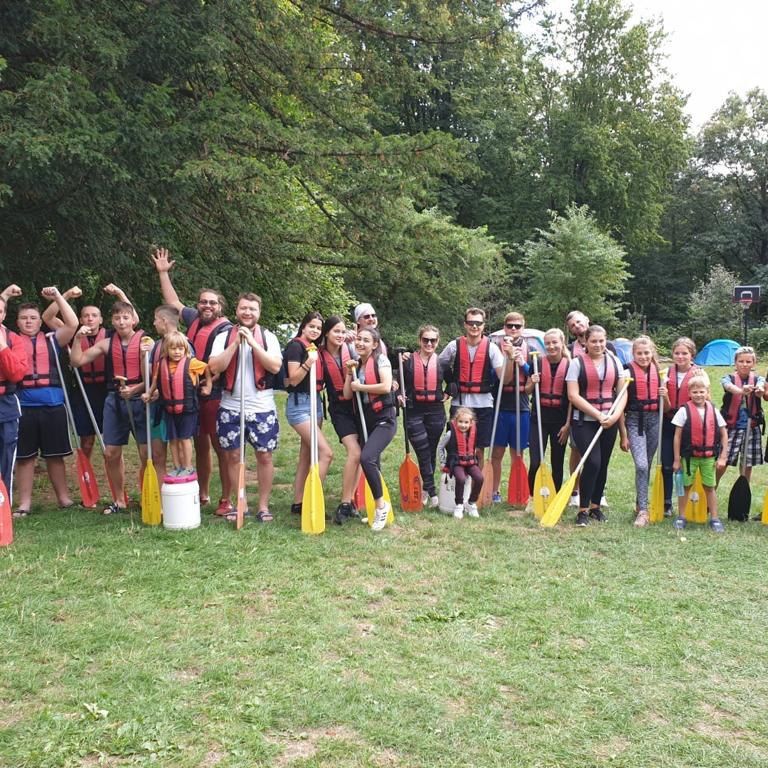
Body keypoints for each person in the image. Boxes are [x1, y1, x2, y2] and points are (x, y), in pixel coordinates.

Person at [153, 246, 232, 511]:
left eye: (213, 302)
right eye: (203, 302)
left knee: (219, 447)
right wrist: (163, 273)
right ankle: (201, 493)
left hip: (215, 395)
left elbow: (218, 364)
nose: (207, 306)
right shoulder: (193, 319)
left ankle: (226, 499)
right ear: (198, 305)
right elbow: (173, 303)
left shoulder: (226, 328)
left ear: (220, 307)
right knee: (198, 446)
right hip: (191, 395)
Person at [208, 292, 282, 522]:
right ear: (237, 311)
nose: (247, 312)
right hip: (231, 407)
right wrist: (235, 346)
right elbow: (214, 367)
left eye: (252, 309)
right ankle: (241, 503)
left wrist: (251, 343)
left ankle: (263, 506)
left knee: (265, 456)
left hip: (261, 407)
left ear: (259, 312)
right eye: (243, 308)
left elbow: (275, 367)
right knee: (232, 456)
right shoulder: (223, 336)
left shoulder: (268, 337)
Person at [70, 300, 149, 515]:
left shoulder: (144, 342)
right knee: (111, 452)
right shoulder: (106, 343)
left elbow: (151, 379)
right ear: (111, 321)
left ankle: (147, 496)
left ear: (133, 319)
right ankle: (119, 500)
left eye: (125, 317)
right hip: (114, 400)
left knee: (145, 452)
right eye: (117, 318)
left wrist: (134, 390)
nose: (121, 322)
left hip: (138, 399)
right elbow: (77, 361)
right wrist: (78, 339)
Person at [14, 289, 79, 515]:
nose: (29, 322)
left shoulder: (53, 339)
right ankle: (25, 504)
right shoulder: (10, 340)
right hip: (23, 407)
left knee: (55, 455)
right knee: (25, 458)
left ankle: (63, 498)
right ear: (17, 321)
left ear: (39, 320)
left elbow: (72, 323)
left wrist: (60, 297)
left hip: (52, 405)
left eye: (33, 317)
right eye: (24, 318)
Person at [566, 324, 628, 526]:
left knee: (603, 465)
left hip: (609, 421)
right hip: (584, 422)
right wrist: (598, 415)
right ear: (585, 341)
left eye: (601, 341)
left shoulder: (615, 362)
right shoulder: (576, 364)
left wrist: (614, 415)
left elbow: (622, 392)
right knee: (592, 463)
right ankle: (582, 510)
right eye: (593, 341)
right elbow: (573, 395)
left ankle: (595, 507)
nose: (598, 345)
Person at [438, 308, 514, 469]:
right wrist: (449, 381)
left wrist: (511, 358)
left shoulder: (492, 348)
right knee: (456, 447)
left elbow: (505, 379)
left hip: (483, 404)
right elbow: (438, 364)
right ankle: (458, 484)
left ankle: (476, 486)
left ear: (483, 325)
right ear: (465, 325)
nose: (474, 326)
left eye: (478, 323)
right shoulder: (454, 346)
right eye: (471, 323)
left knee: (478, 450)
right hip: (460, 403)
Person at [343, 327, 396, 532]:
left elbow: (385, 386)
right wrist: (350, 373)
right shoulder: (357, 365)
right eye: (358, 339)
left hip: (385, 419)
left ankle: (382, 507)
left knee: (366, 458)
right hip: (368, 420)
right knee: (373, 463)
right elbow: (348, 394)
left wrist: (361, 387)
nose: (361, 343)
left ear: (374, 344)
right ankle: (376, 509)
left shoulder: (381, 360)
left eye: (366, 340)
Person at [283, 312, 333, 516]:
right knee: (326, 453)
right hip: (300, 405)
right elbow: (293, 380)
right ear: (303, 327)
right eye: (311, 326)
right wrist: (308, 362)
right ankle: (313, 500)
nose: (314, 330)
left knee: (307, 455)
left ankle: (298, 503)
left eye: (318, 328)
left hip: (316, 403)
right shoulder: (296, 347)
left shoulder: (314, 348)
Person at [143, 331, 212, 476]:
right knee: (173, 439)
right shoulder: (160, 364)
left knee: (184, 438)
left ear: (185, 350)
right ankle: (177, 466)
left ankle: (187, 466)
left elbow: (207, 369)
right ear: (166, 350)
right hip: (169, 408)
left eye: (180, 349)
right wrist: (149, 393)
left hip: (188, 409)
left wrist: (208, 386)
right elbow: (155, 382)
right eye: (173, 349)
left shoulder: (192, 363)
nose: (177, 352)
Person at [319, 316, 361, 524]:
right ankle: (345, 502)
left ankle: (351, 499)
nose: (340, 335)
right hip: (339, 408)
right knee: (354, 451)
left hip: (358, 405)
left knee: (361, 453)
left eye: (343, 332)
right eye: (336, 331)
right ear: (326, 332)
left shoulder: (351, 349)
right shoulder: (318, 354)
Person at [672, 375, 728, 533]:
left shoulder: (714, 411)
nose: (698, 395)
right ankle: (681, 516)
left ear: (707, 392)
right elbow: (677, 436)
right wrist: (677, 459)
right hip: (689, 458)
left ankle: (715, 518)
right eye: (695, 392)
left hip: (709, 457)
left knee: (710, 487)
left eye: (701, 391)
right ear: (689, 393)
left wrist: (723, 456)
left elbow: (724, 434)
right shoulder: (683, 411)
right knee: (686, 486)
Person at [400, 324, 448, 507]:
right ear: (419, 340)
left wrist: (449, 391)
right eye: (425, 340)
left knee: (430, 450)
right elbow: (398, 382)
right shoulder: (407, 361)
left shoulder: (442, 362)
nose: (429, 343)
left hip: (436, 411)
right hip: (413, 411)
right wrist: (398, 394)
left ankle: (426, 491)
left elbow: (452, 381)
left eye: (433, 340)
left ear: (437, 342)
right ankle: (432, 492)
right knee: (422, 450)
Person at [660, 337, 707, 516]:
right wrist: (664, 395)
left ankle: (690, 500)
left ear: (692, 355)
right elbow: (666, 407)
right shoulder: (665, 373)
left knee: (689, 465)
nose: (680, 357)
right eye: (677, 353)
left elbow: (706, 400)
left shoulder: (699, 374)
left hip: (689, 425)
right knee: (667, 465)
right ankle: (666, 503)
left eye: (684, 353)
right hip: (668, 423)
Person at [619, 335, 663, 528]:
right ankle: (644, 511)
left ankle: (640, 504)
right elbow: (620, 405)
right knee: (642, 466)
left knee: (648, 463)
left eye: (647, 353)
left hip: (654, 420)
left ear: (652, 353)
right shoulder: (626, 372)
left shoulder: (659, 372)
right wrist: (623, 434)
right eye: (639, 353)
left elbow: (665, 405)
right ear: (633, 353)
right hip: (635, 420)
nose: (643, 357)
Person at [525, 328, 571, 512]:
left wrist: (568, 425)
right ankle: (532, 497)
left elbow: (572, 400)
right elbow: (527, 391)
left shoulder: (570, 365)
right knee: (536, 460)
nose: (551, 346)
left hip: (560, 421)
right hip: (539, 419)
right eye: (548, 343)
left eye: (555, 343)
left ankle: (555, 497)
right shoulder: (536, 362)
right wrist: (532, 382)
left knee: (557, 461)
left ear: (562, 343)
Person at [489, 311, 529, 502]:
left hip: (520, 406)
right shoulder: (495, 347)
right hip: (499, 405)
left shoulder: (529, 349)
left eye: (517, 326)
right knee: (496, 452)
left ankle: (518, 490)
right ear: (504, 327)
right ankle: (494, 491)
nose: (513, 329)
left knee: (518, 453)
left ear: (523, 328)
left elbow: (532, 374)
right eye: (510, 325)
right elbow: (492, 376)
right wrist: (507, 357)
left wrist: (520, 361)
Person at [717, 346, 764, 486]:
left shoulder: (758, 379)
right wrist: (741, 390)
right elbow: (729, 387)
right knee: (722, 462)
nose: (744, 364)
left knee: (747, 463)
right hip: (732, 427)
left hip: (752, 427)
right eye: (741, 361)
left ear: (753, 363)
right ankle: (712, 488)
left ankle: (743, 490)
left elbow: (761, 387)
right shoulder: (728, 378)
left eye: (748, 362)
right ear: (735, 363)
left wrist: (759, 390)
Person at [0, 290, 28, 505]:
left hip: (6, 403)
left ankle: (3, 506)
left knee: (6, 457)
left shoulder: (14, 340)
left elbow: (17, 374)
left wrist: (2, 348)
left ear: (3, 314)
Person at [438, 406, 484, 519]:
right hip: (456, 463)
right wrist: (443, 462)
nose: (463, 425)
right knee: (461, 479)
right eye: (460, 422)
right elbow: (440, 447)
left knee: (479, 478)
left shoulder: (473, 433)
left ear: (471, 423)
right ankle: (459, 505)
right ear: (456, 421)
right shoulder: (450, 434)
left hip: (470, 462)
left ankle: (471, 503)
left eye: (466, 422)